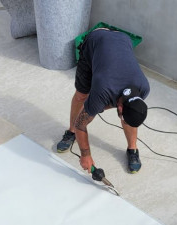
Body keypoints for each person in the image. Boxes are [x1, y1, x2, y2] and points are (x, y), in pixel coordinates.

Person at [56, 27, 150, 174]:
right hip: (95, 41)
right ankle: (70, 132)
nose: (122, 120)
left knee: (129, 114)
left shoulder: (144, 88)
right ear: (119, 108)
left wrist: (95, 108)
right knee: (82, 95)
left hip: (122, 40)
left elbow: (129, 109)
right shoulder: (103, 90)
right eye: (122, 118)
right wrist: (85, 155)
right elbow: (82, 125)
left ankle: (132, 148)